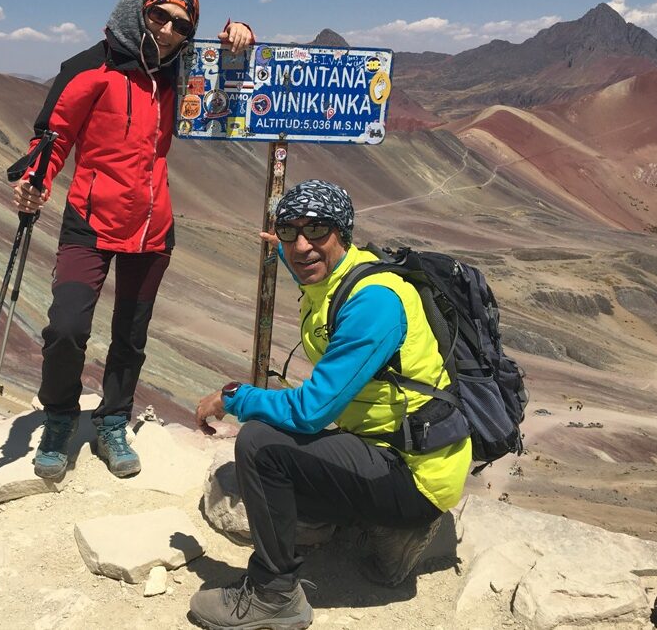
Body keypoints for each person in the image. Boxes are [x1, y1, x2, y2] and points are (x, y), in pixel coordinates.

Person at [189, 180, 472, 629]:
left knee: (261, 445)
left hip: (415, 474)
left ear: (344, 232)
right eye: (289, 232)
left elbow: (312, 410)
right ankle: (362, 527)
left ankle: (274, 595)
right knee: (283, 463)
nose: (302, 246)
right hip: (387, 448)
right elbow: (303, 253)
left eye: (318, 230)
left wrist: (233, 397)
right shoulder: (338, 273)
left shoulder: (373, 302)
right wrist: (283, 247)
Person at [12, 0, 254, 480]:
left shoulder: (179, 70)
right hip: (90, 221)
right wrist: (36, 179)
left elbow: (228, 66)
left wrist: (242, 33)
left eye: (181, 25)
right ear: (138, 10)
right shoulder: (87, 68)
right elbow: (53, 136)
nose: (167, 30)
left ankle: (113, 420)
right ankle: (59, 417)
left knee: (131, 334)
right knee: (66, 328)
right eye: (158, 16)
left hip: (151, 227)